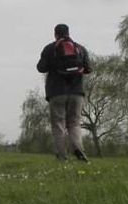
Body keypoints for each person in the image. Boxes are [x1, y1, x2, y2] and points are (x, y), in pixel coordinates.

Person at [36, 23, 92, 162]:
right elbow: (88, 69)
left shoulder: (50, 48)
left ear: (55, 34)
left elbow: (41, 68)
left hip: (56, 92)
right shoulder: (80, 49)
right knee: (74, 123)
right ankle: (78, 148)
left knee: (58, 124)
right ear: (68, 33)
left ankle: (62, 156)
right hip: (76, 92)